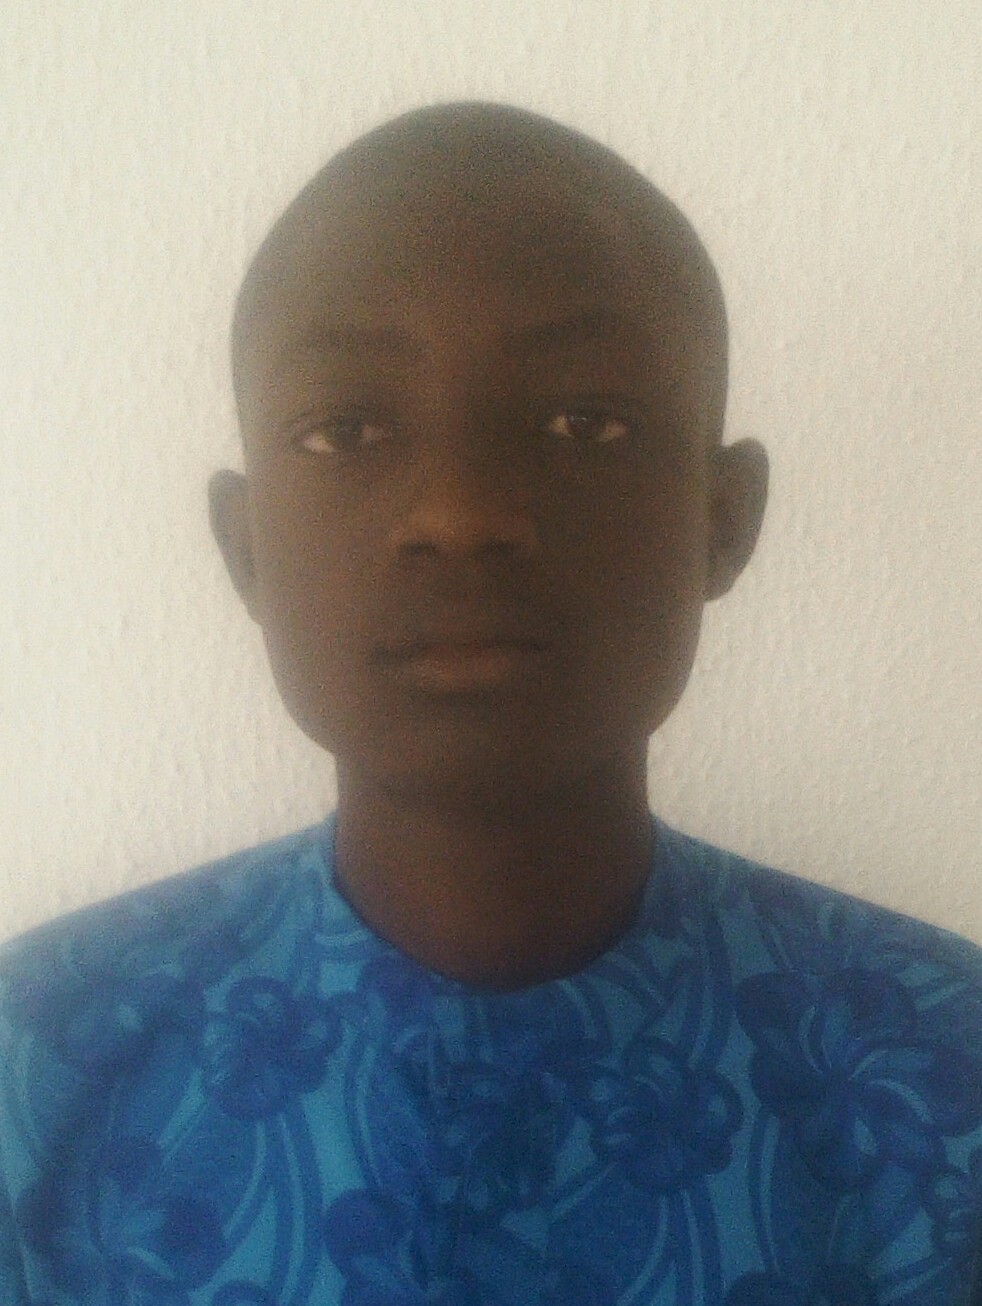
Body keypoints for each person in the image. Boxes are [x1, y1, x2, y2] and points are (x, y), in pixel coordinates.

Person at [1, 102, 980, 1305]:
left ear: (721, 519)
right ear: (245, 547)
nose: (459, 511)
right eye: (346, 428)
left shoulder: (944, 1069)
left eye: (585, 421)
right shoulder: (36, 1070)